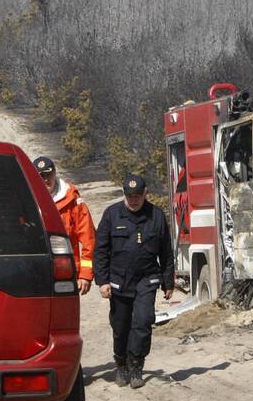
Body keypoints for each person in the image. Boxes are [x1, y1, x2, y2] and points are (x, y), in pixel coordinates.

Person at [93, 173, 174, 389]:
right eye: (130, 196)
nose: (134, 200)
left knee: (143, 320)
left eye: (138, 195)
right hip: (119, 280)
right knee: (121, 326)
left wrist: (168, 282)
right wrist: (102, 281)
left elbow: (166, 250)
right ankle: (121, 364)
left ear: (145, 194)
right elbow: (100, 250)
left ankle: (137, 365)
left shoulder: (156, 215)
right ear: (124, 195)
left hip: (147, 279)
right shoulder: (112, 214)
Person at [34, 156, 95, 294]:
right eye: (41, 176)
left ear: (55, 172)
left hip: (65, 272)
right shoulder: (25, 200)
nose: (45, 179)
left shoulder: (72, 199)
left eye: (48, 174)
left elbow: (89, 239)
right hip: (36, 271)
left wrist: (85, 274)